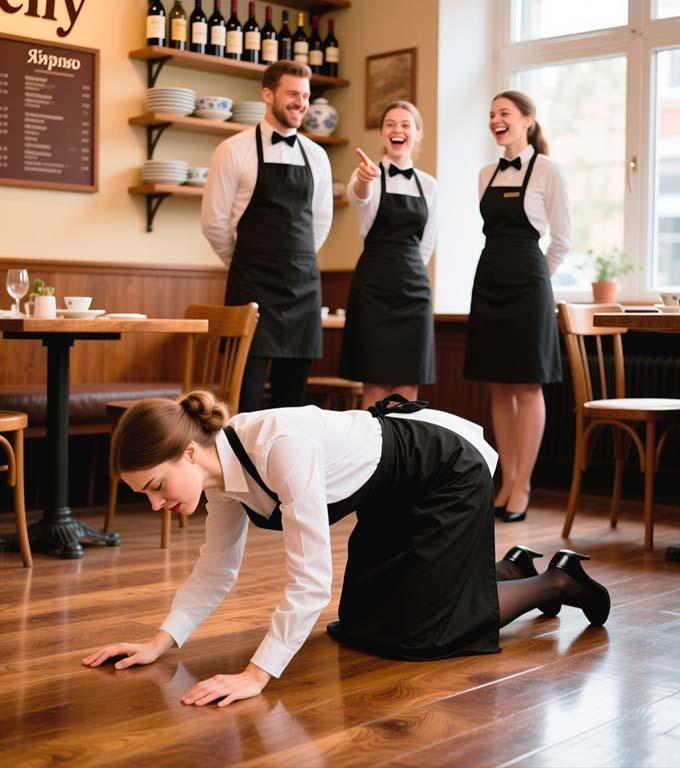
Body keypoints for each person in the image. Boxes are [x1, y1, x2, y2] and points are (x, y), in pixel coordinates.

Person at [82, 391, 609, 708]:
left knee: (425, 635)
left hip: (444, 468)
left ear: (188, 453)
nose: (155, 505)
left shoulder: (276, 447)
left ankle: (557, 581)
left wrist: (255, 675)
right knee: (362, 623)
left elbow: (310, 581)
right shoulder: (218, 480)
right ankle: (506, 567)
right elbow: (217, 569)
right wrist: (159, 642)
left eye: (155, 486)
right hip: (392, 488)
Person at [201, 60, 333, 413]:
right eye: (292, 93)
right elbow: (214, 222)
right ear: (268, 94)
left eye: (305, 96)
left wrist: (295, 260)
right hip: (252, 286)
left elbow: (320, 223)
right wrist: (246, 261)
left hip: (303, 288)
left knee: (292, 404)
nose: (300, 103)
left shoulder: (317, 156)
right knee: (244, 397)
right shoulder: (232, 150)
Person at [464, 90, 571, 523]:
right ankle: (506, 480)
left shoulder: (548, 170)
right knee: (497, 385)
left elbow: (561, 241)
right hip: (489, 279)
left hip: (529, 284)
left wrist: (536, 280)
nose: (495, 120)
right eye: (491, 114)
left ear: (528, 120)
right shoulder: (485, 173)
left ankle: (523, 484)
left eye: (504, 113)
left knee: (527, 386)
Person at [340, 101, 437, 409]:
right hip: (374, 288)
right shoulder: (369, 175)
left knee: (409, 381)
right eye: (391, 124)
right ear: (382, 133)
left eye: (406, 125)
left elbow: (427, 245)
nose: (398, 130)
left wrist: (408, 274)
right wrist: (363, 180)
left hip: (414, 289)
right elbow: (356, 195)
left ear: (418, 134)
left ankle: (404, 455)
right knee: (375, 381)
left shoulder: (429, 185)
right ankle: (375, 456)